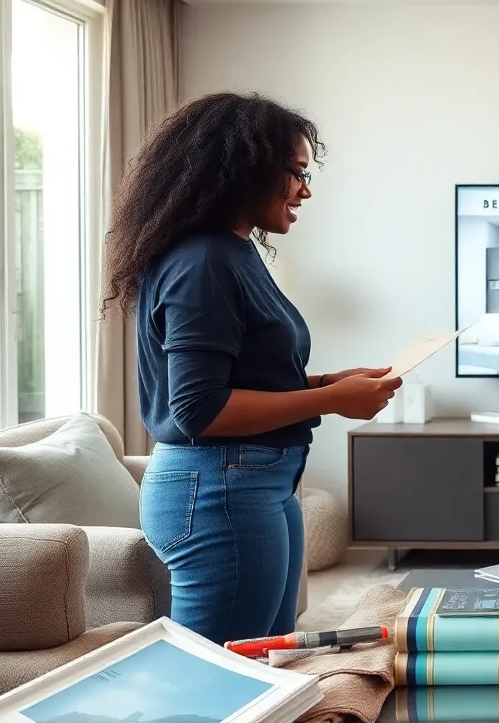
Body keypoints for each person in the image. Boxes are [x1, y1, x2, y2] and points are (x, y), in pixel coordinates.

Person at [100, 92, 403, 644]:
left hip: (254, 484)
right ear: (244, 167)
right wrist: (332, 401)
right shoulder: (203, 263)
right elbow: (199, 410)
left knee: (267, 661)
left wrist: (325, 383)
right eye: (296, 173)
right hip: (220, 490)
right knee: (222, 679)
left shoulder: (232, 251)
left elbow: (233, 381)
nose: (306, 191)